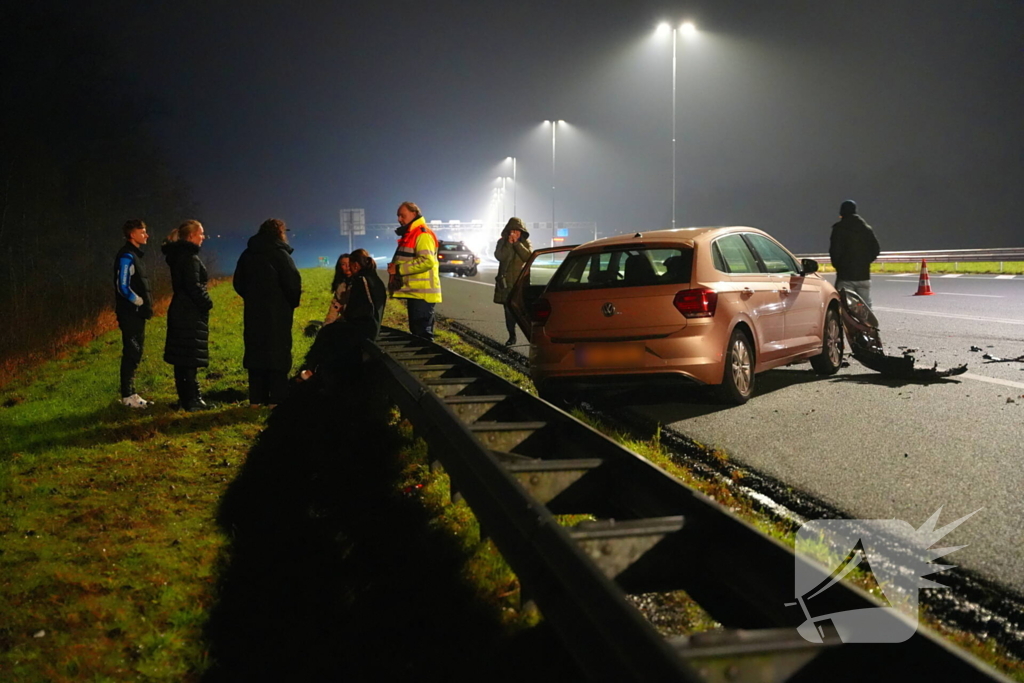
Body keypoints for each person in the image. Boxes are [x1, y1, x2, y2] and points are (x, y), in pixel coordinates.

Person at [233, 218, 302, 407]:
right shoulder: (281, 255)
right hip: (277, 313)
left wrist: (252, 298)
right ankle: (276, 399)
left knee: (256, 352)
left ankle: (257, 398)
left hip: (254, 312)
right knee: (277, 353)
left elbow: (238, 282)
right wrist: (290, 303)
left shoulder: (248, 254)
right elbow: (293, 283)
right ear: (280, 233)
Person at [299, 248, 387, 385]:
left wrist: (343, 316)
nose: (348, 268)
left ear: (356, 265)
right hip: (372, 325)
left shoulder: (360, 280)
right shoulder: (375, 279)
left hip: (363, 328)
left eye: (350, 264)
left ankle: (311, 370)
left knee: (326, 333)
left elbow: (355, 310)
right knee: (330, 331)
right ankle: (316, 371)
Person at [162, 219, 213, 411]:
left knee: (182, 358)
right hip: (189, 312)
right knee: (189, 357)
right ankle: (192, 399)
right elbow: (193, 286)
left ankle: (185, 398)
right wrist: (207, 303)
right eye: (201, 234)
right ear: (191, 236)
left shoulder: (178, 256)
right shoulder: (189, 258)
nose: (203, 238)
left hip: (180, 310)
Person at [387, 201, 441, 340]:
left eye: (402, 215)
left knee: (422, 335)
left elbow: (427, 261)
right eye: (398, 216)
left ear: (414, 213)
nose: (399, 219)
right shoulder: (412, 234)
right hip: (416, 292)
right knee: (418, 333)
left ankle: (429, 359)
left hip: (422, 293)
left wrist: (398, 269)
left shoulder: (422, 234)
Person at [114, 219, 154, 408]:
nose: (146, 235)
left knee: (136, 352)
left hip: (137, 313)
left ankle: (132, 394)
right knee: (131, 352)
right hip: (130, 313)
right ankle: (127, 396)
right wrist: (136, 300)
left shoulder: (136, 256)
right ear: (132, 234)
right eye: (143, 232)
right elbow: (122, 285)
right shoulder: (127, 256)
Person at [829, 200, 881, 309]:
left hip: (845, 276)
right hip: (864, 274)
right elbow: (876, 249)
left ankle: (849, 325)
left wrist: (839, 265)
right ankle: (868, 325)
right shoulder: (866, 229)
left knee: (844, 307)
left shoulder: (839, 229)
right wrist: (865, 261)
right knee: (866, 307)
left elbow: (835, 251)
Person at [493, 217, 533, 346]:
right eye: (512, 231)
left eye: (517, 231)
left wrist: (517, 244)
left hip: (520, 283)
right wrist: (509, 244)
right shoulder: (502, 243)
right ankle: (512, 336)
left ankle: (532, 336)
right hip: (505, 283)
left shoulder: (526, 243)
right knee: (509, 311)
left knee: (523, 311)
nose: (514, 233)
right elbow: (500, 257)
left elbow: (528, 257)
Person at [324, 253, 351, 325]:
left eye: (349, 263)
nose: (347, 266)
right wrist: (327, 325)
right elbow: (334, 308)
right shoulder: (341, 286)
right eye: (343, 264)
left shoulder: (360, 283)